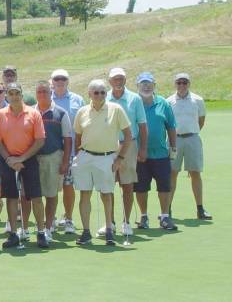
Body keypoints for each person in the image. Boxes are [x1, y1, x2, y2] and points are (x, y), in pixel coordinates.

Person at [71, 79, 132, 246]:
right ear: (89, 94)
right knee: (84, 194)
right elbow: (78, 135)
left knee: (106, 194)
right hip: (85, 156)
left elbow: (128, 135)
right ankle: (86, 232)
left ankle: (109, 230)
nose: (99, 95)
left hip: (107, 157)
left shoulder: (116, 109)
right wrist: (79, 155)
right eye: (96, 92)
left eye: (103, 92)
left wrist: (120, 158)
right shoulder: (82, 111)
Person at [0, 83, 48, 249]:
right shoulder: (0, 114)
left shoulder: (33, 113)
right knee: (12, 197)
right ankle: (14, 234)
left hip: (28, 159)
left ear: (22, 95)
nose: (14, 96)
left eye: (17, 93)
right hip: (8, 160)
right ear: (7, 96)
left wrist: (22, 158)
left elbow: (40, 140)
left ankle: (40, 233)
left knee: (36, 197)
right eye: (11, 93)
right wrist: (9, 159)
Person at [105, 67, 148, 237]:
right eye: (115, 78)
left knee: (127, 185)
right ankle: (111, 223)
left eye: (121, 78)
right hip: (108, 146)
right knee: (108, 185)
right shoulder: (102, 97)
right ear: (110, 81)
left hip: (129, 146)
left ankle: (126, 222)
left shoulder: (134, 99)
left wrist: (143, 149)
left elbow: (142, 126)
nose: (118, 81)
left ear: (125, 79)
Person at [133, 72, 178, 230]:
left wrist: (173, 148)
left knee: (164, 186)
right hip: (140, 155)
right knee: (140, 187)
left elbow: (171, 127)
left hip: (160, 154)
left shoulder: (163, 103)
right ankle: (144, 216)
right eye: (143, 83)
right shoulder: (134, 103)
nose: (146, 86)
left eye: (149, 83)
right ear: (137, 86)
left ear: (154, 85)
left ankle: (165, 216)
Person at [167, 73, 211, 220]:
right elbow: (167, 123)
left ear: (189, 84)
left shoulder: (197, 100)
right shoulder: (169, 101)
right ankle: (167, 209)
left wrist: (191, 132)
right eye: (179, 83)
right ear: (175, 84)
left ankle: (200, 209)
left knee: (195, 173)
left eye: (184, 83)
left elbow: (201, 121)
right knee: (172, 173)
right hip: (174, 141)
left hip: (193, 138)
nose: (181, 85)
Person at [33, 81, 72, 242]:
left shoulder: (61, 113)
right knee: (35, 196)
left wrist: (65, 162)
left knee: (51, 195)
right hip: (33, 159)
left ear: (51, 93)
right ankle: (39, 227)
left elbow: (68, 140)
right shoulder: (30, 112)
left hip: (53, 158)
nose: (42, 94)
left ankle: (48, 227)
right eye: (39, 92)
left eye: (45, 91)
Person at [50, 69, 85, 234]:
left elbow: (84, 125)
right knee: (50, 187)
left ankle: (69, 218)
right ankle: (51, 219)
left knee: (68, 185)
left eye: (63, 78)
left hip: (71, 152)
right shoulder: (45, 98)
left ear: (68, 81)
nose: (60, 81)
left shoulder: (77, 100)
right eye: (56, 79)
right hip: (51, 151)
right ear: (52, 81)